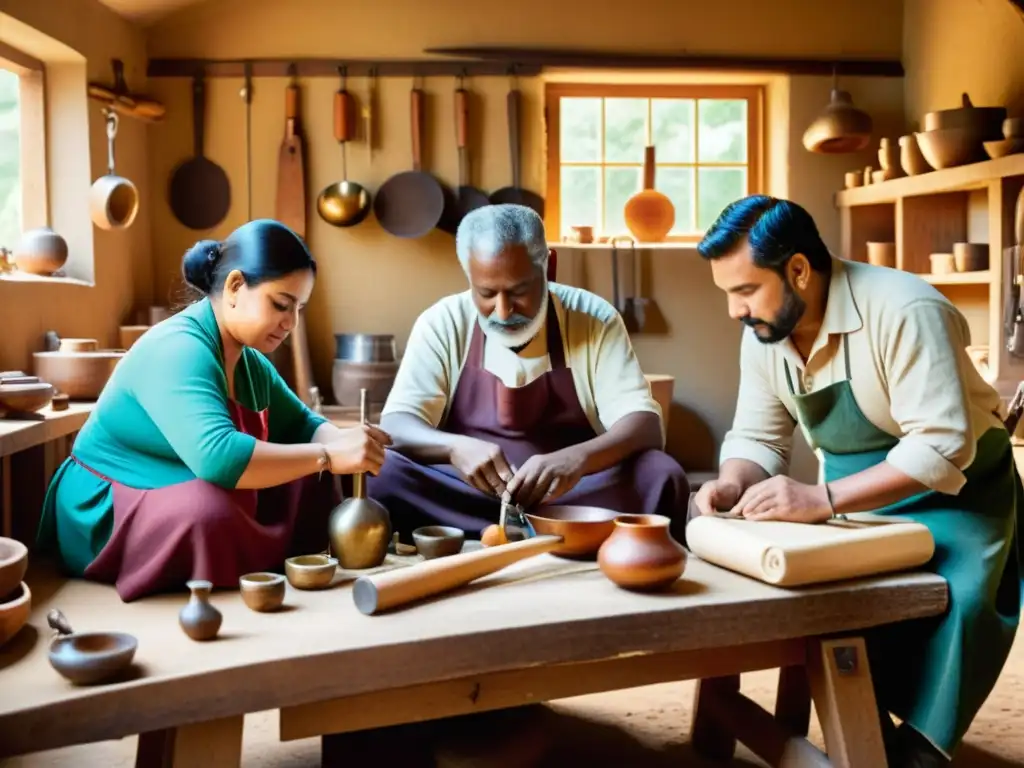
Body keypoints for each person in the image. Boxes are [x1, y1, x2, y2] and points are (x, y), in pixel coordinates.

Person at [691, 195, 1022, 768]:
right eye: (727, 293)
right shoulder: (766, 334)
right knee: (831, 598)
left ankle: (920, 745)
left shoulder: (907, 309)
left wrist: (820, 499)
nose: (733, 310)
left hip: (962, 492)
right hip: (851, 497)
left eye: (744, 291)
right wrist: (731, 481)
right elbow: (759, 437)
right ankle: (864, 725)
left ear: (798, 269)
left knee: (958, 604)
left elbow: (941, 446)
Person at [36, 219, 391, 602]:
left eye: (299, 309)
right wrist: (328, 455)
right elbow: (219, 457)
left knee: (309, 479)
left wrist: (346, 441)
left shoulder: (250, 361)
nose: (291, 323)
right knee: (212, 512)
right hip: (111, 502)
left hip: (182, 479)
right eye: (281, 305)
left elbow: (302, 423)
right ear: (235, 286)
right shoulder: (179, 348)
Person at [367, 203, 689, 539]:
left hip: (571, 498)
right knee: (383, 472)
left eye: (519, 291)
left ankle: (538, 529)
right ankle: (524, 532)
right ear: (469, 275)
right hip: (467, 495)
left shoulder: (593, 318)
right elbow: (397, 426)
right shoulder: (443, 321)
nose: (504, 312)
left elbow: (645, 427)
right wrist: (453, 448)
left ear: (549, 265)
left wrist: (576, 459)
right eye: (487, 294)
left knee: (661, 475)